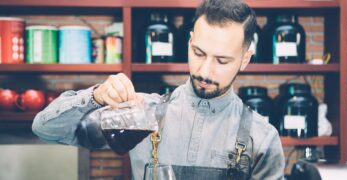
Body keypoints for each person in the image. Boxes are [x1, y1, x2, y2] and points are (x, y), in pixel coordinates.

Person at [32, 0, 285, 179]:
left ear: (244, 60)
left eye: (222, 61)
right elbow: (45, 128)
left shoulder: (261, 137)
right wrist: (96, 96)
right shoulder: (142, 114)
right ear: (189, 43)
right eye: (198, 53)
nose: (205, 71)